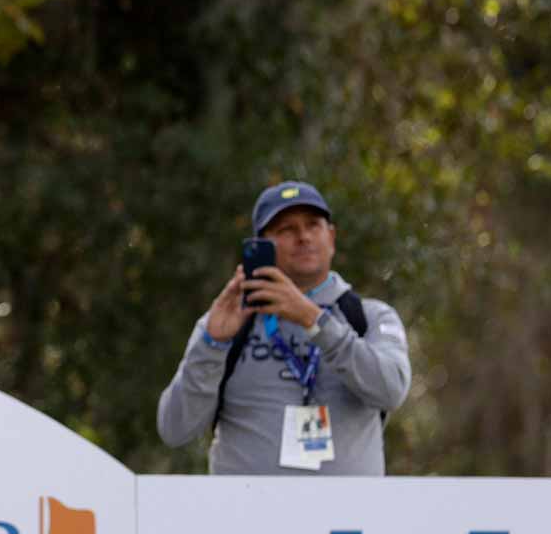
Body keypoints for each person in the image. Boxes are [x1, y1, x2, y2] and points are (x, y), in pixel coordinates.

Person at [156, 180, 411, 474]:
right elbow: (174, 430)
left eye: (313, 225)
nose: (302, 237)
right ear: (261, 245)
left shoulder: (371, 317)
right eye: (285, 229)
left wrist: (315, 321)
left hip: (346, 517)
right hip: (246, 516)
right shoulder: (226, 324)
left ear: (331, 237)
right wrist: (211, 345)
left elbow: (391, 390)